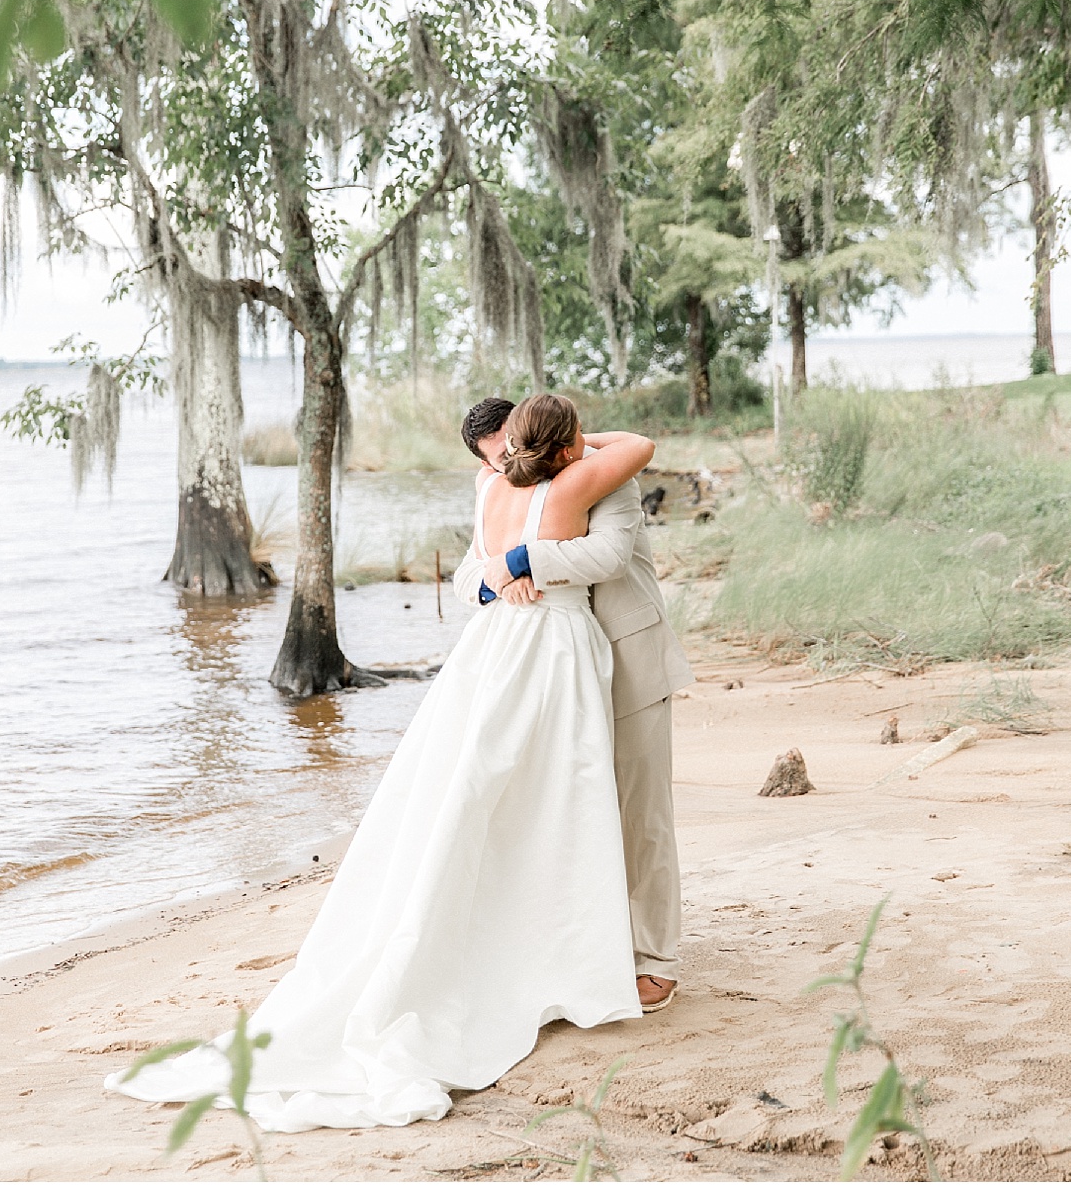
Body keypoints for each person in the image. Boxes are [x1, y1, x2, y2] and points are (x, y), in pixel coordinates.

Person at [107, 395, 659, 1132]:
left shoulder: (493, 489)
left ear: (512, 446)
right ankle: (552, 954)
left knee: (495, 794)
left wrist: (512, 558)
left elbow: (496, 561)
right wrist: (538, 519)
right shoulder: (572, 485)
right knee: (560, 797)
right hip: (553, 651)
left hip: (495, 650)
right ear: (569, 445)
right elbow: (639, 446)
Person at [454, 397, 695, 1012]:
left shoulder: (605, 477)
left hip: (629, 662)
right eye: (497, 462)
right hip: (554, 672)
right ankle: (589, 944)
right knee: (567, 810)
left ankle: (656, 959)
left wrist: (522, 560)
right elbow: (465, 576)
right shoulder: (505, 486)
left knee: (643, 816)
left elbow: (606, 555)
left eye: (511, 451)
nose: (511, 467)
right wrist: (495, 578)